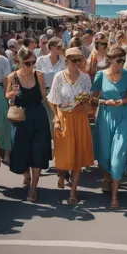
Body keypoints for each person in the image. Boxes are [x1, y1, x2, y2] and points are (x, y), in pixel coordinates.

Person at [91, 47, 127, 209]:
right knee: (104, 154)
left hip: (123, 116)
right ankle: (107, 178)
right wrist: (105, 102)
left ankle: (115, 196)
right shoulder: (100, 75)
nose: (122, 63)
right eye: (119, 61)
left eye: (124, 60)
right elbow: (93, 98)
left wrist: (122, 101)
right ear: (110, 60)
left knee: (118, 154)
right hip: (104, 116)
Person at [48, 48, 94, 205]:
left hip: (80, 119)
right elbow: (52, 99)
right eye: (74, 60)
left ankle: (73, 192)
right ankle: (61, 174)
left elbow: (88, 102)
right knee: (63, 155)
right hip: (64, 118)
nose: (77, 64)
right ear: (66, 61)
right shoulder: (58, 77)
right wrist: (55, 117)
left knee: (77, 157)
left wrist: (86, 101)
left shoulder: (85, 78)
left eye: (79, 60)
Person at [6, 47, 51, 202]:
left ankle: (33, 187)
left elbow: (44, 97)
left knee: (38, 152)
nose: (31, 66)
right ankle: (26, 174)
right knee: (20, 153)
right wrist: (11, 95)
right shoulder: (12, 77)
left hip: (39, 117)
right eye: (28, 63)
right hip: (20, 119)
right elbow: (8, 96)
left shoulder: (38, 75)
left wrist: (56, 115)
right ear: (19, 62)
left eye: (33, 62)